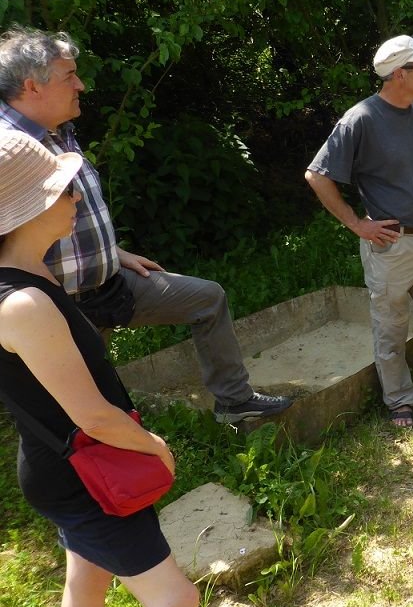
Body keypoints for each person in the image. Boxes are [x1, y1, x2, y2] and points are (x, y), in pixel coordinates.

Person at [0, 26, 291, 425]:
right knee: (83, 410)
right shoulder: (8, 148)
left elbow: (72, 212)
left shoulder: (60, 130)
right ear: (33, 86)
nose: (81, 85)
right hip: (56, 304)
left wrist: (114, 253)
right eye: (70, 76)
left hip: (110, 283)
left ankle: (234, 402)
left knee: (207, 298)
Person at [0, 131, 199, 607]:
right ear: (26, 210)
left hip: (64, 465)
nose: (77, 199)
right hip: (86, 475)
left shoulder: (31, 274)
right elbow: (90, 414)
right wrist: (154, 446)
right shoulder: (21, 303)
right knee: (175, 602)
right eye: (64, 191)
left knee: (86, 575)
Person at [306, 35, 413, 428]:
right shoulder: (360, 119)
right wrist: (356, 224)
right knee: (391, 328)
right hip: (391, 247)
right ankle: (400, 401)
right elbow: (317, 175)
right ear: (399, 74)